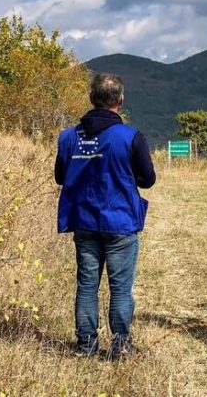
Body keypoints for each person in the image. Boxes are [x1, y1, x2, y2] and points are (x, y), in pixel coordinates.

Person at [55, 73, 156, 359]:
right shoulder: (130, 136)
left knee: (87, 285)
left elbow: (61, 176)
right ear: (120, 101)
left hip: (84, 222)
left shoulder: (68, 137)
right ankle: (121, 346)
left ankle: (86, 346)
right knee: (121, 288)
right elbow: (148, 180)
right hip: (120, 222)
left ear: (91, 99)